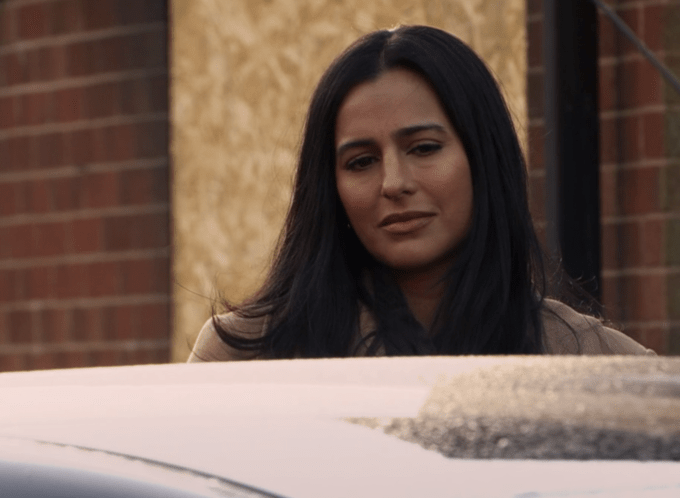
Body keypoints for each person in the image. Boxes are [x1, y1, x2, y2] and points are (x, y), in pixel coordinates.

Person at [189, 25, 652, 362]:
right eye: (361, 162)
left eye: (424, 148)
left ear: (484, 157)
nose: (393, 182)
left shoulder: (599, 364)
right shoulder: (245, 356)